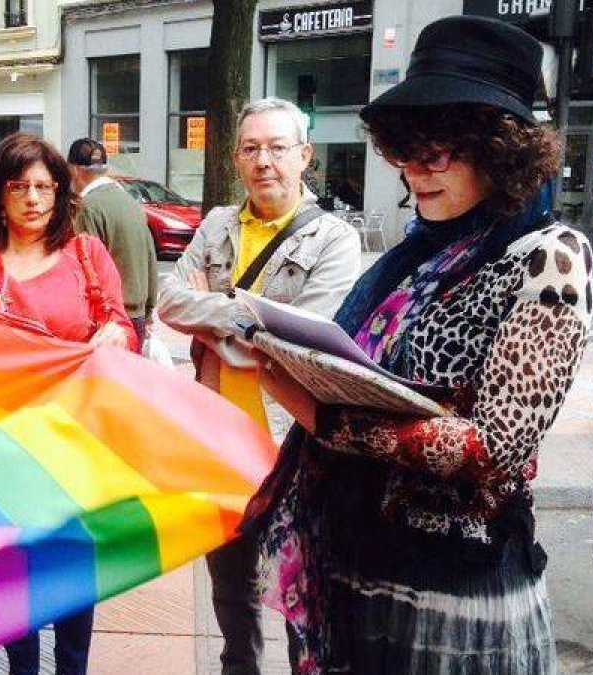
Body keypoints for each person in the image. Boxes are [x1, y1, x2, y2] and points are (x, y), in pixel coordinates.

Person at [242, 17, 593, 673]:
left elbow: (495, 446)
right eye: (407, 153)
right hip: (356, 559)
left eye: (437, 155)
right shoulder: (410, 258)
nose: (416, 174)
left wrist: (324, 416)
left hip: (455, 589)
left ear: (500, 151)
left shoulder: (551, 255)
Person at [157, 97, 360, 675]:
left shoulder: (333, 239)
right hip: (217, 445)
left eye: (276, 147)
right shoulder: (220, 223)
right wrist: (248, 321)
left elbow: (308, 339)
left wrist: (214, 310)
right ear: (237, 157)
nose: (262, 161)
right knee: (232, 590)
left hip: (292, 445)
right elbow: (170, 300)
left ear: (304, 156)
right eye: (251, 148)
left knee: (302, 592)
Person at [0, 133, 136, 675]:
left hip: (75, 439)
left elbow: (117, 320)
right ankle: (21, 667)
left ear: (60, 194)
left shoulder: (85, 255)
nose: (32, 198)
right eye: (19, 186)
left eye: (44, 187)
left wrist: (117, 335)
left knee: (73, 565)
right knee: (11, 568)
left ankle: (72, 668)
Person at [67, 138, 159, 343]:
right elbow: (150, 256)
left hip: (110, 322)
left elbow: (86, 266)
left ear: (73, 170)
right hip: (138, 316)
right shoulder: (131, 202)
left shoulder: (87, 206)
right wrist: (149, 310)